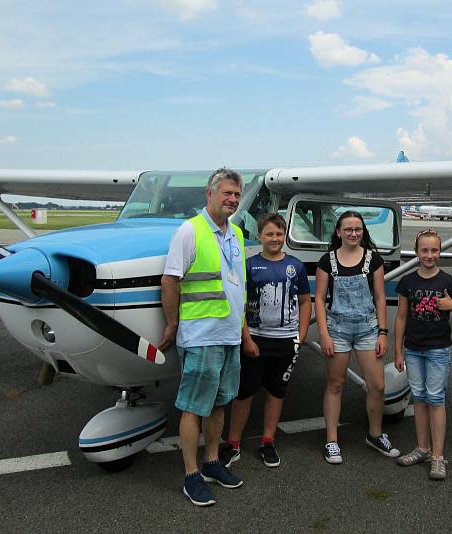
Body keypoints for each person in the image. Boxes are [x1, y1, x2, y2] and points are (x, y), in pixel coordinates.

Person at [159, 168, 246, 507]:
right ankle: (192, 475)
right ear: (209, 194)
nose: (232, 200)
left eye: (237, 195)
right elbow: (171, 280)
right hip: (200, 336)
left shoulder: (236, 233)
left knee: (220, 403)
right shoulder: (189, 231)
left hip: (229, 335)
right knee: (194, 407)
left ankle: (212, 462)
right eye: (226, 193)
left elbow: (237, 284)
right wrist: (172, 324)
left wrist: (242, 329)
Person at [219, 213, 311, 469]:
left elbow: (305, 301)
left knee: (276, 392)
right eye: (269, 234)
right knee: (244, 394)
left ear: (285, 236)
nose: (275, 238)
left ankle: (268, 441)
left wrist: (300, 337)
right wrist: (246, 338)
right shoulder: (249, 265)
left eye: (279, 234)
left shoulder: (296, 265)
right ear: (259, 235)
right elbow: (239, 304)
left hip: (285, 341)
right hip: (255, 340)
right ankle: (233, 444)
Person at [314, 210, 400, 464]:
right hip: (337, 329)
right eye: (348, 229)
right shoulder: (326, 261)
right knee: (335, 384)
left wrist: (383, 332)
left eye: (358, 229)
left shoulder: (373, 259)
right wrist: (324, 334)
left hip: (367, 328)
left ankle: (375, 434)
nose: (353, 233)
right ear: (338, 232)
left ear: (363, 232)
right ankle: (331, 440)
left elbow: (380, 297)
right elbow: (319, 299)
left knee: (378, 386)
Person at [393, 229, 452, 480]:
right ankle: (422, 449)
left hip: (438, 350)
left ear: (440, 251)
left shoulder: (448, 282)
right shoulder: (407, 282)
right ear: (416, 252)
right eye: (424, 250)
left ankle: (438, 456)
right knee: (419, 398)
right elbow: (402, 317)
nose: (429, 255)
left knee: (435, 399)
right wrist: (398, 350)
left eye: (434, 250)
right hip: (413, 350)